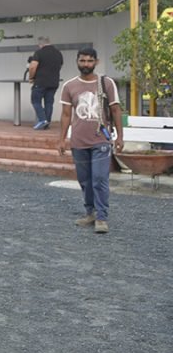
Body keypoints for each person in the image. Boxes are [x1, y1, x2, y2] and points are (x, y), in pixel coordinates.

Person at [56, 47, 124, 234]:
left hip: (101, 140)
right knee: (85, 180)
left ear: (96, 62)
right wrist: (61, 139)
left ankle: (101, 217)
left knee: (100, 179)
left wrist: (120, 136)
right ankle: (90, 213)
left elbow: (116, 110)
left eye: (89, 61)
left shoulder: (106, 83)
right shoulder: (69, 86)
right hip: (78, 141)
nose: (86, 64)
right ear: (77, 61)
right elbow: (66, 114)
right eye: (82, 61)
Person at [28, 36, 63, 130]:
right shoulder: (58, 53)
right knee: (49, 103)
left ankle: (42, 120)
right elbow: (60, 66)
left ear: (40, 44)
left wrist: (31, 77)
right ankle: (47, 123)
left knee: (35, 101)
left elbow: (32, 67)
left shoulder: (39, 52)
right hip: (54, 82)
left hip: (40, 81)